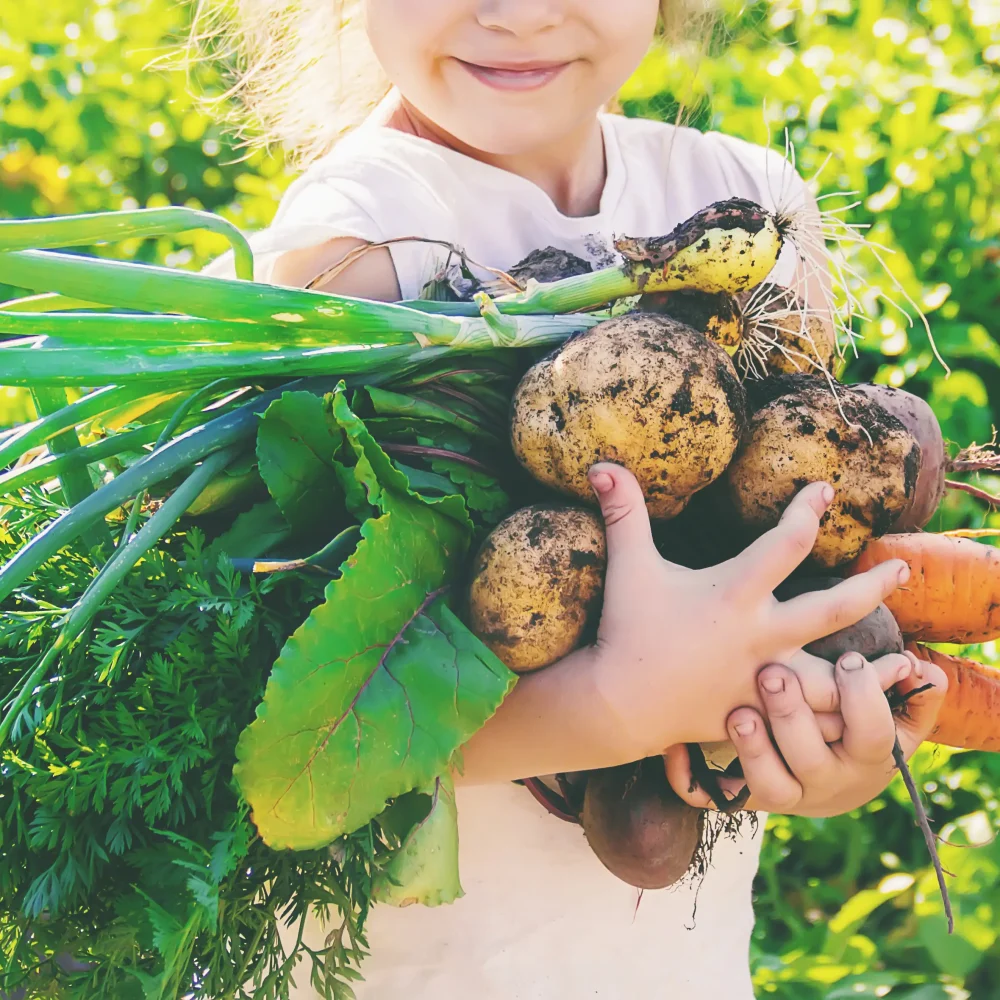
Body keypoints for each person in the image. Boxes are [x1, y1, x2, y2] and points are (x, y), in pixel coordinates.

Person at [200, 2, 948, 996]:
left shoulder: (749, 207)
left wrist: (822, 746)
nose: (516, 12)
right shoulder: (349, 257)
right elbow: (289, 728)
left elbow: (797, 533)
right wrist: (609, 708)